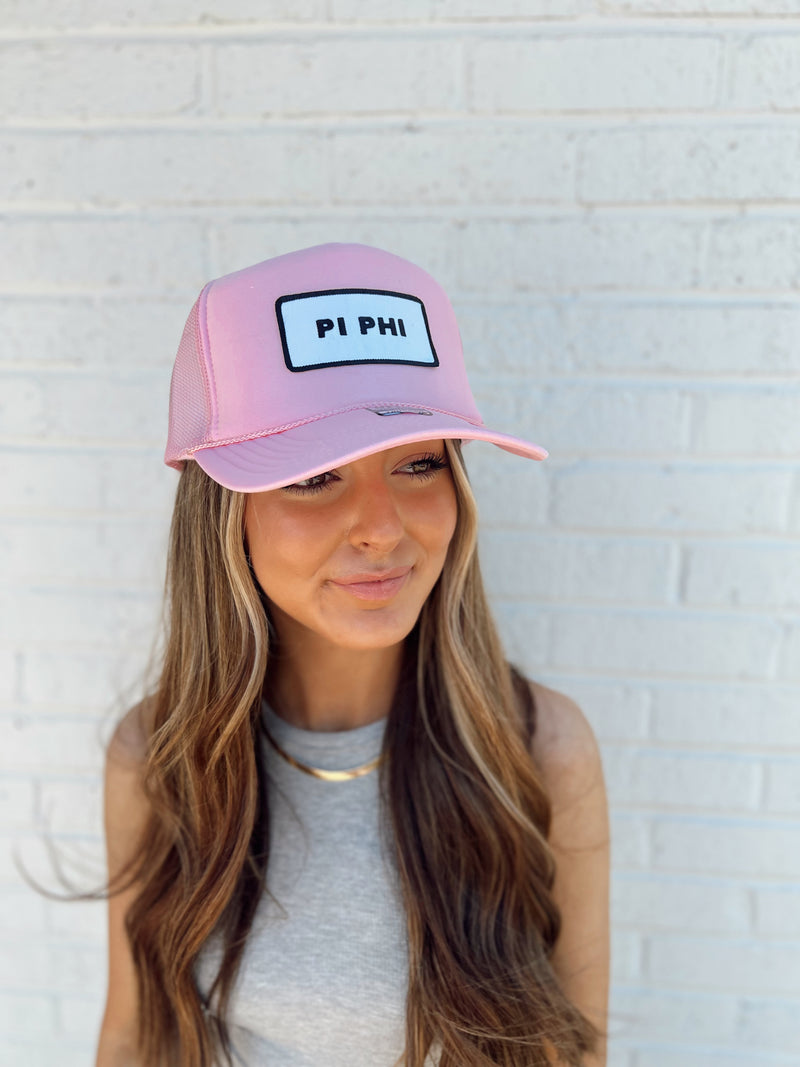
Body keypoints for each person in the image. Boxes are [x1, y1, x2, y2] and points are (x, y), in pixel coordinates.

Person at [95, 243, 609, 1067]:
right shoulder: (158, 757)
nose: (382, 526)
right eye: (314, 475)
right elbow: (132, 1036)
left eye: (419, 463)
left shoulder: (539, 749)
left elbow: (574, 1050)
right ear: (223, 514)